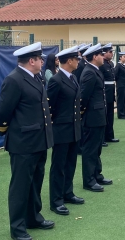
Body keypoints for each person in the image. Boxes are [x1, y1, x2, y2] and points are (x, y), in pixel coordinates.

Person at [0, 42, 54, 240]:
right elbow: (4, 110)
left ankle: (33, 218)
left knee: (35, 182)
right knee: (20, 186)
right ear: (31, 61)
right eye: (40, 58)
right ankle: (18, 228)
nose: (42, 61)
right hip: (23, 143)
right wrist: (3, 128)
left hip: (39, 140)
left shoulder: (36, 77)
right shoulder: (14, 80)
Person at [47, 45, 85, 216]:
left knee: (70, 163)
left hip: (74, 128)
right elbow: (50, 107)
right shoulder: (56, 80)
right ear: (69, 61)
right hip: (61, 130)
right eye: (76, 59)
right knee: (58, 166)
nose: (78, 61)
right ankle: (56, 200)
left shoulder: (73, 78)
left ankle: (67, 193)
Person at [80, 43, 113, 192]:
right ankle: (89, 180)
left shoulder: (96, 70)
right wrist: (83, 113)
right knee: (90, 149)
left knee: (97, 148)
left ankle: (96, 174)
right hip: (92, 117)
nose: (103, 57)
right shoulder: (89, 72)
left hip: (99, 116)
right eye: (101, 54)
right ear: (94, 57)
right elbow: (83, 97)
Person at [99, 43, 119, 144]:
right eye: (110, 52)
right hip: (105, 92)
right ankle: (102, 138)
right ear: (104, 53)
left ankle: (110, 135)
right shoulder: (101, 64)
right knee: (104, 116)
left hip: (110, 92)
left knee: (110, 115)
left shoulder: (111, 64)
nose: (112, 54)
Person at [115, 51, 125, 119]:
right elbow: (115, 75)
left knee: (124, 99)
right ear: (120, 58)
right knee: (120, 100)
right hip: (120, 85)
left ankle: (124, 112)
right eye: (124, 56)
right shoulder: (118, 66)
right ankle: (120, 114)